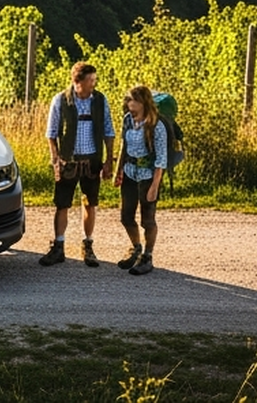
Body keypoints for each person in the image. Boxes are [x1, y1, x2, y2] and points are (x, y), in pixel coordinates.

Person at [38, 61, 115, 267]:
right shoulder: (61, 100)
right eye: (90, 80)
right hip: (68, 160)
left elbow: (109, 130)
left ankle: (88, 246)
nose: (93, 84)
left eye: (94, 80)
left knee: (90, 202)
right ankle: (58, 246)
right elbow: (51, 134)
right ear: (77, 81)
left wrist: (109, 159)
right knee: (62, 203)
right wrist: (56, 160)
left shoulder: (99, 100)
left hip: (92, 159)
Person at [117, 86, 169, 275]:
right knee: (126, 216)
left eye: (135, 101)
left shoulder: (157, 126)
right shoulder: (128, 121)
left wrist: (155, 186)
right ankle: (136, 248)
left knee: (148, 220)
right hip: (130, 172)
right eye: (129, 100)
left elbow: (161, 159)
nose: (131, 105)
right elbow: (123, 145)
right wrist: (118, 171)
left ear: (143, 103)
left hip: (148, 176)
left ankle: (147, 256)